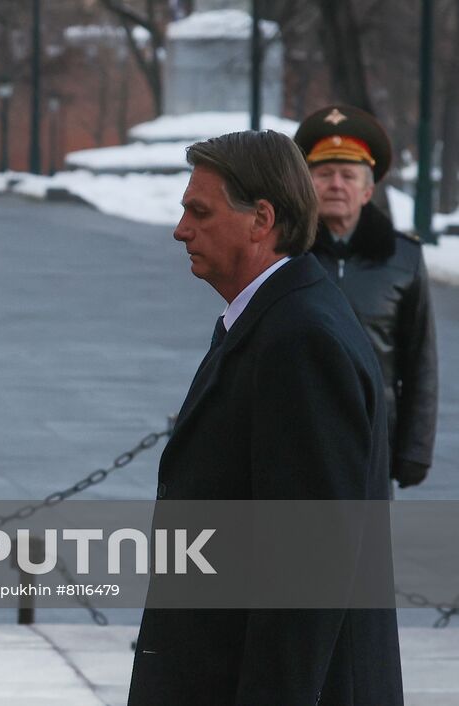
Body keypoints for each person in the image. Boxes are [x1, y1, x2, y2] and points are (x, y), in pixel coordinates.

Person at [127, 130, 401, 704]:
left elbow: (307, 568)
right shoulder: (269, 320)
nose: (181, 230)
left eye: (199, 212)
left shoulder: (300, 339)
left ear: (262, 220)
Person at [294, 105, 438, 489]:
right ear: (307, 185)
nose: (336, 185)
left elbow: (420, 362)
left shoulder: (403, 258)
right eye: (324, 174)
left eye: (348, 175)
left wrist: (415, 450)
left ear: (367, 191)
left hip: (372, 439)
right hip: (294, 437)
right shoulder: (286, 253)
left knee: (365, 548)